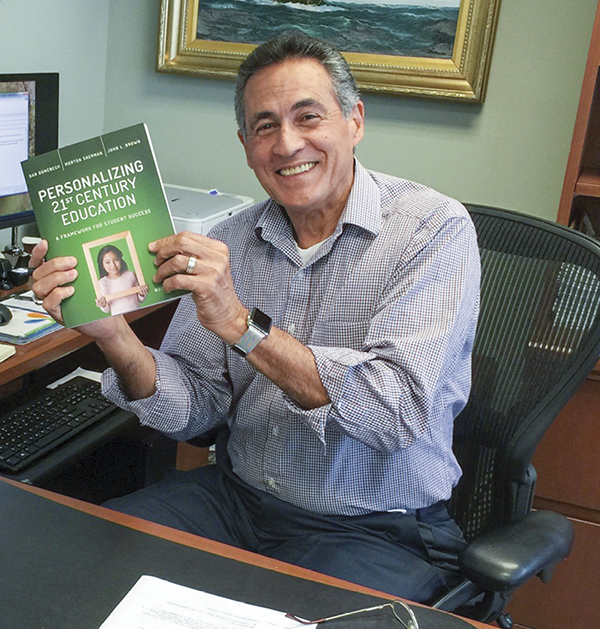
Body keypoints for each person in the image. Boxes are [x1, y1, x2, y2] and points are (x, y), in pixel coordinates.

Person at [30, 30, 480, 603]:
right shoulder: (231, 240)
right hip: (236, 500)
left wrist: (242, 324)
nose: (287, 144)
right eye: (265, 126)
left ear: (355, 121)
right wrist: (114, 335)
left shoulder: (432, 229)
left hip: (376, 527)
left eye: (308, 117)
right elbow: (195, 409)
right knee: (80, 569)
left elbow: (396, 411)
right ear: (246, 145)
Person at [94, 244, 149, 316]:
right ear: (102, 265)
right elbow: (107, 309)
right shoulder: (102, 283)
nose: (113, 265)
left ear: (120, 259)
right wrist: (103, 304)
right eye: (107, 262)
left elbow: (140, 300)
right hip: (119, 318)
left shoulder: (130, 275)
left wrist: (142, 293)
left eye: (116, 260)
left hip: (137, 314)